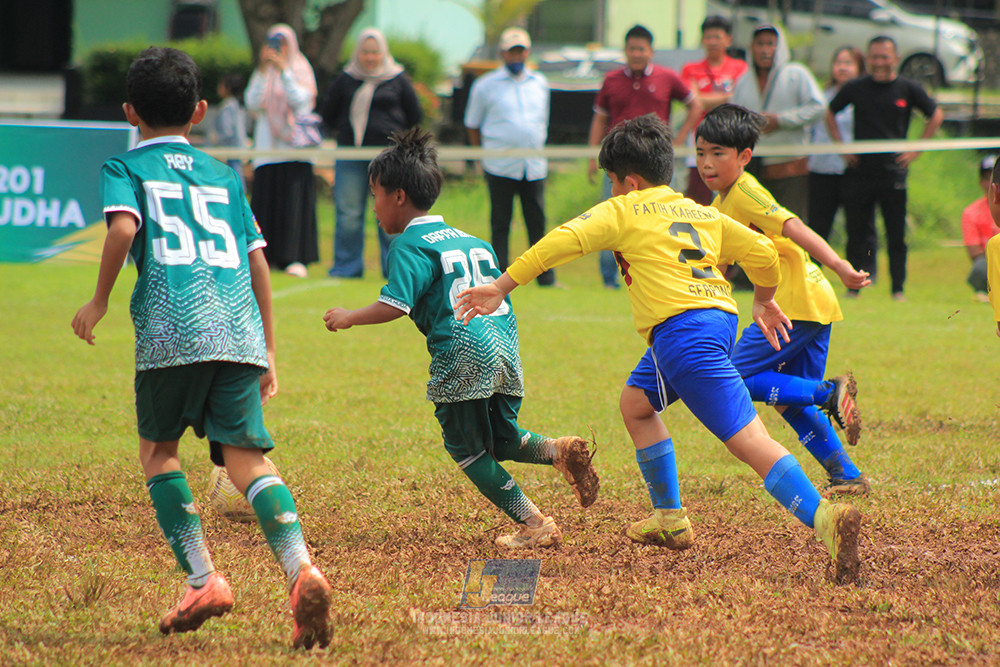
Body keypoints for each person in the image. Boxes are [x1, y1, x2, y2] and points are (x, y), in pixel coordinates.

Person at [456, 114, 863, 585]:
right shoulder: (703, 212)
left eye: (611, 181)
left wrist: (502, 286)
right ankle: (669, 519)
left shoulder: (623, 209)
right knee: (636, 404)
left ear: (629, 181)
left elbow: (560, 242)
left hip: (681, 335)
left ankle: (825, 520)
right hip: (715, 321)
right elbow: (764, 253)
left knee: (749, 440)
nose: (610, 191)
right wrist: (765, 299)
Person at [70, 47, 332, 649]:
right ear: (202, 111)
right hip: (237, 330)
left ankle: (202, 578)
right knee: (247, 460)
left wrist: (102, 299)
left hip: (171, 330)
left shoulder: (125, 166)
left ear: (130, 111)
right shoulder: (222, 174)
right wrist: (266, 347)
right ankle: (300, 569)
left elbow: (123, 228)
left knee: (160, 452)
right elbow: (257, 258)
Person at [321, 127, 599, 549]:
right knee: (504, 439)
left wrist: (349, 317)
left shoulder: (409, 245)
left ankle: (535, 523)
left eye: (375, 194)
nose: (372, 205)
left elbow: (395, 305)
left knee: (467, 450)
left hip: (463, 353)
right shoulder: (476, 241)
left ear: (398, 196)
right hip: (505, 347)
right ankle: (559, 450)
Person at [697, 104, 871, 497]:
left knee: (737, 376)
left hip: (789, 302)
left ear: (744, 157)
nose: (707, 163)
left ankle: (831, 392)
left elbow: (794, 227)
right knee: (791, 401)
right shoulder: (720, 205)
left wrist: (840, 264)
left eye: (717, 153)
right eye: (700, 153)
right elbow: (717, 268)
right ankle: (847, 475)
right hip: (812, 302)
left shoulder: (745, 192)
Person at [827, 35, 944, 301]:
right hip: (859, 171)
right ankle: (854, 286)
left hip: (893, 172)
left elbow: (935, 114)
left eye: (884, 57)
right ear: (868, 59)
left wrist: (916, 149)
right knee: (856, 232)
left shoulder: (907, 88)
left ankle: (897, 289)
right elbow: (830, 112)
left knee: (896, 234)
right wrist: (842, 147)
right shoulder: (856, 87)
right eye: (874, 57)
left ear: (895, 59)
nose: (879, 62)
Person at [587, 24, 703, 288]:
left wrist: (679, 136)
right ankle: (609, 279)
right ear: (625, 51)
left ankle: (664, 271)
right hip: (617, 163)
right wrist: (591, 157)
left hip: (655, 165)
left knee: (662, 217)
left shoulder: (667, 77)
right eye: (632, 49)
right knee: (611, 217)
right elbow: (600, 118)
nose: (636, 53)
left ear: (651, 51)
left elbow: (694, 105)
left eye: (641, 48)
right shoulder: (612, 80)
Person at [320, 28, 422, 279]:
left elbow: (415, 115)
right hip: (350, 157)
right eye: (365, 52)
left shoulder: (398, 79)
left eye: (375, 52)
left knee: (391, 213)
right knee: (349, 213)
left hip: (389, 160)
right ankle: (347, 267)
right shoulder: (345, 79)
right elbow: (327, 114)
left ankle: (394, 268)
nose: (370, 57)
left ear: (383, 53)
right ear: (358, 53)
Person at [464, 27, 556, 287]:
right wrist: (480, 157)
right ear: (503, 53)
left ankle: (545, 277)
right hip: (499, 164)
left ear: (527, 52)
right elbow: (472, 124)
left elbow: (542, 121)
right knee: (501, 223)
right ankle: (499, 278)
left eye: (521, 51)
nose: (517, 56)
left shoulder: (540, 83)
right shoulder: (486, 85)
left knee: (537, 223)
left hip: (533, 165)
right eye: (511, 52)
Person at [245, 24, 319, 279]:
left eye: (283, 43)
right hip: (266, 151)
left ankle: (296, 258)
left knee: (293, 205)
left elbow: (302, 102)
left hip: (294, 150)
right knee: (266, 204)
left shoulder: (300, 68)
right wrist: (266, 71)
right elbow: (252, 102)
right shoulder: (263, 73)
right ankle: (268, 257)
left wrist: (284, 72)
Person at [730, 24, 825, 222]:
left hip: (789, 165)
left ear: (779, 47)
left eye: (770, 44)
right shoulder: (743, 80)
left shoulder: (796, 73)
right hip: (752, 167)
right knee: (757, 225)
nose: (765, 50)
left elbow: (818, 107)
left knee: (791, 223)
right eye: (760, 44)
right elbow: (733, 115)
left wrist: (781, 120)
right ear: (752, 47)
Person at [680, 15, 748, 205]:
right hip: (699, 140)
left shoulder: (740, 68)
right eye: (708, 37)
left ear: (728, 39)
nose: (712, 42)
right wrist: (728, 97)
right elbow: (694, 102)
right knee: (697, 195)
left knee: (732, 195)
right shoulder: (690, 69)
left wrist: (705, 98)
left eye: (717, 37)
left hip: (731, 139)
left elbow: (742, 100)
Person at [807, 47, 865, 242]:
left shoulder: (864, 96)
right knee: (817, 227)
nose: (842, 68)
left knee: (857, 228)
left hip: (852, 169)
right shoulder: (821, 97)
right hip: (821, 169)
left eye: (848, 63)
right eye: (838, 63)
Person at [960, 154, 998, 302]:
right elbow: (975, 253)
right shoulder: (971, 212)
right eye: (988, 177)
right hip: (991, 263)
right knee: (980, 267)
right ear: (981, 182)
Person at [212, 72, 248, 192]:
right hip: (238, 147)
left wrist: (218, 142)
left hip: (228, 149)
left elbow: (227, 130)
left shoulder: (227, 106)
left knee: (231, 178)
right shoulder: (238, 105)